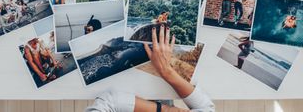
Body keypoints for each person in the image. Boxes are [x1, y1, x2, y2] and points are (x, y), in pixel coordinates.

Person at [85, 26, 215, 112]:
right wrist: (166, 71)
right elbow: (207, 109)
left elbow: (109, 101)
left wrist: (163, 110)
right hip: (156, 90)